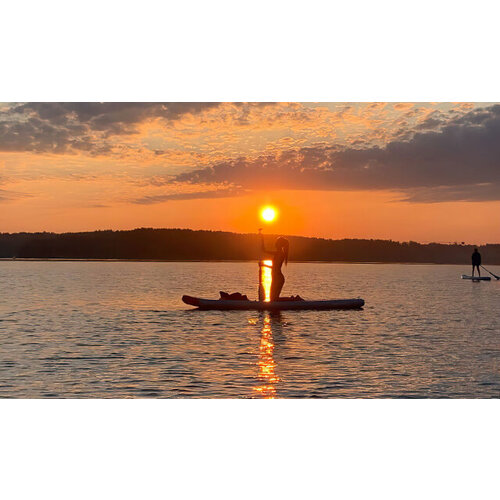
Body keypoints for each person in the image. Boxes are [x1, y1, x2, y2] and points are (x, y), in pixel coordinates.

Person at [259, 229, 289, 301]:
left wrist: (263, 265)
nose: (275, 243)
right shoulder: (277, 253)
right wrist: (262, 238)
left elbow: (275, 267)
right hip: (275, 278)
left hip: (278, 278)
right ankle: (292, 300)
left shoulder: (280, 254)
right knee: (273, 299)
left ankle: (293, 299)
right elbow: (264, 250)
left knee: (274, 299)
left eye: (277, 242)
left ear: (279, 244)